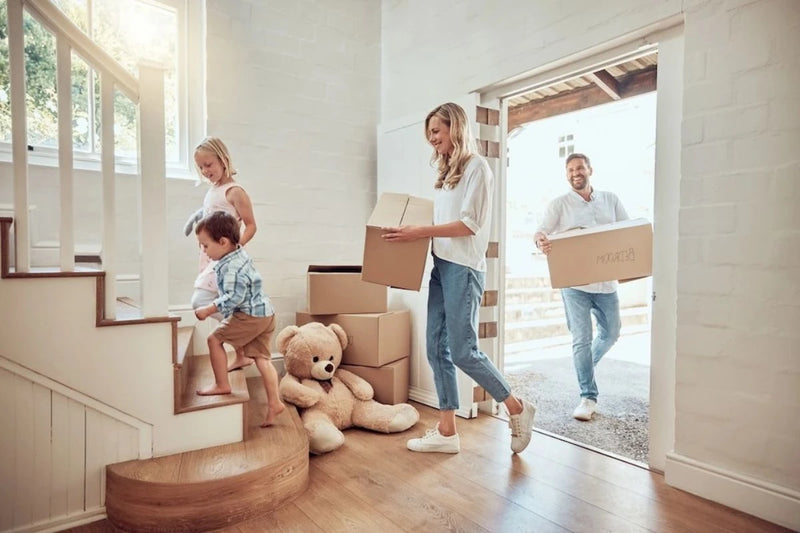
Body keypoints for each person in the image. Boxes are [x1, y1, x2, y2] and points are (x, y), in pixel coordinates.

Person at [381, 102, 536, 454]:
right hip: (441, 265)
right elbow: (442, 224)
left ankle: (516, 407)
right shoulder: (446, 174)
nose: (432, 139)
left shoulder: (478, 168)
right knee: (436, 348)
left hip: (464, 269)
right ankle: (447, 431)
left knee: (464, 351)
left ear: (456, 128)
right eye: (430, 134)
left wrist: (419, 232)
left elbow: (470, 224)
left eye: (437, 131)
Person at [534, 153, 629, 421]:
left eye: (580, 168)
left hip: (606, 282)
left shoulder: (610, 200)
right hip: (574, 284)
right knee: (581, 339)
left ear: (590, 170)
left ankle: (584, 363)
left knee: (612, 333)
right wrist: (541, 241)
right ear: (567, 175)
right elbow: (540, 232)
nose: (576, 173)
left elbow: (626, 231)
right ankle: (588, 396)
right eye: (571, 170)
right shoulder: (559, 205)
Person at [193, 211, 285, 427]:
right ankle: (275, 403)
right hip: (265, 312)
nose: (203, 250)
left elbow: (235, 297)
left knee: (214, 340)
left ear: (223, 242)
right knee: (263, 359)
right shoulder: (237, 252)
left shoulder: (231, 267)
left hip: (250, 316)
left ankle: (221, 384)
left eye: (205, 246)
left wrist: (209, 308)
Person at [184, 136, 257, 373]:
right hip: (209, 257)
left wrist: (234, 251)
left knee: (202, 300)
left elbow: (251, 225)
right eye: (201, 167)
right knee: (221, 299)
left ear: (223, 160)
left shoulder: (235, 192)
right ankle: (242, 353)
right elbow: (211, 216)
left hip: (225, 260)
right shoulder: (213, 191)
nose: (205, 171)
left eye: (209, 164)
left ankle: (244, 333)